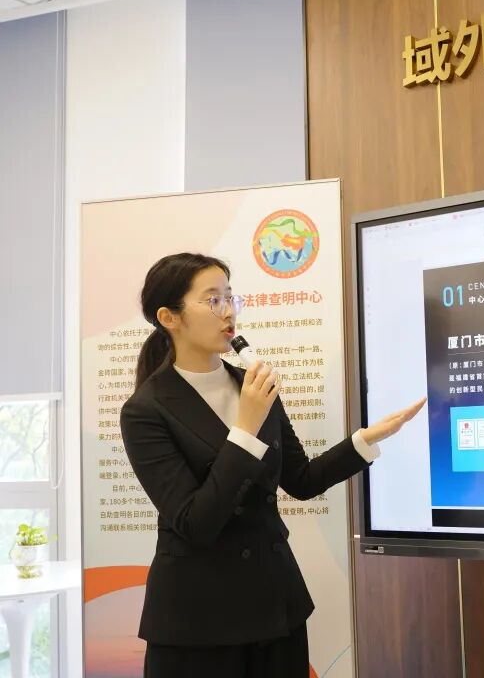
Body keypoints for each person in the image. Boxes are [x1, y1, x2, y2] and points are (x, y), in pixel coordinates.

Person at [120, 252, 424, 677]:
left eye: (231, 297)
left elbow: (301, 480)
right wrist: (245, 429)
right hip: (198, 620)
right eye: (213, 300)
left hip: (275, 604)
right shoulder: (145, 409)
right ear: (169, 317)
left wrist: (365, 440)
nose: (228, 311)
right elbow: (195, 521)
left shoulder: (252, 384)